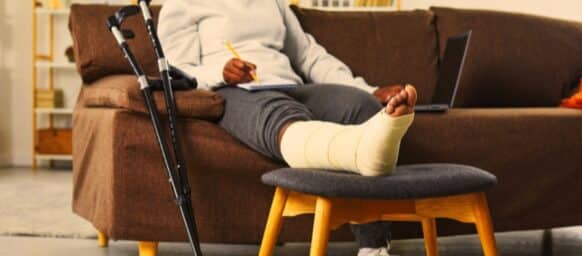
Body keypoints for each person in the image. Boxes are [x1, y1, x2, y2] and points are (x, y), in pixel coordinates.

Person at [158, 0, 418, 255]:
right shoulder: (183, 3)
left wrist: (369, 91)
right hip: (234, 91)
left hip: (290, 85)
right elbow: (176, 72)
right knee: (282, 115)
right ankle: (363, 155)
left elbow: (307, 55)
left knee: (362, 107)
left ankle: (374, 247)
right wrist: (220, 72)